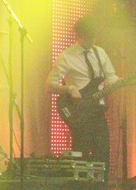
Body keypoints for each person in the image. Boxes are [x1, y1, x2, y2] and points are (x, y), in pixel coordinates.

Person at [47, 17, 119, 169]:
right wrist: (69, 89)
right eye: (88, 37)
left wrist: (119, 81)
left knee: (103, 156)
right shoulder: (67, 56)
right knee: (82, 156)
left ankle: (102, 184)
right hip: (80, 112)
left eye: (93, 37)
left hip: (98, 111)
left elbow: (111, 77)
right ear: (79, 35)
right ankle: (81, 184)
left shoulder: (100, 53)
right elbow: (49, 86)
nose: (92, 41)